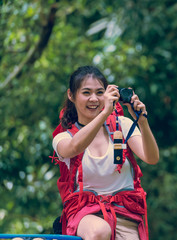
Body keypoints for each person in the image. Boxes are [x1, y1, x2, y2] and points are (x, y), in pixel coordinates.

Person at [51, 65, 159, 240]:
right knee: (99, 231)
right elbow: (75, 148)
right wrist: (105, 113)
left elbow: (152, 158)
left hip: (125, 215)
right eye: (86, 93)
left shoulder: (122, 125)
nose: (94, 99)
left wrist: (142, 122)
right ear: (71, 95)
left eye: (99, 93)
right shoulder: (63, 137)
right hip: (86, 216)